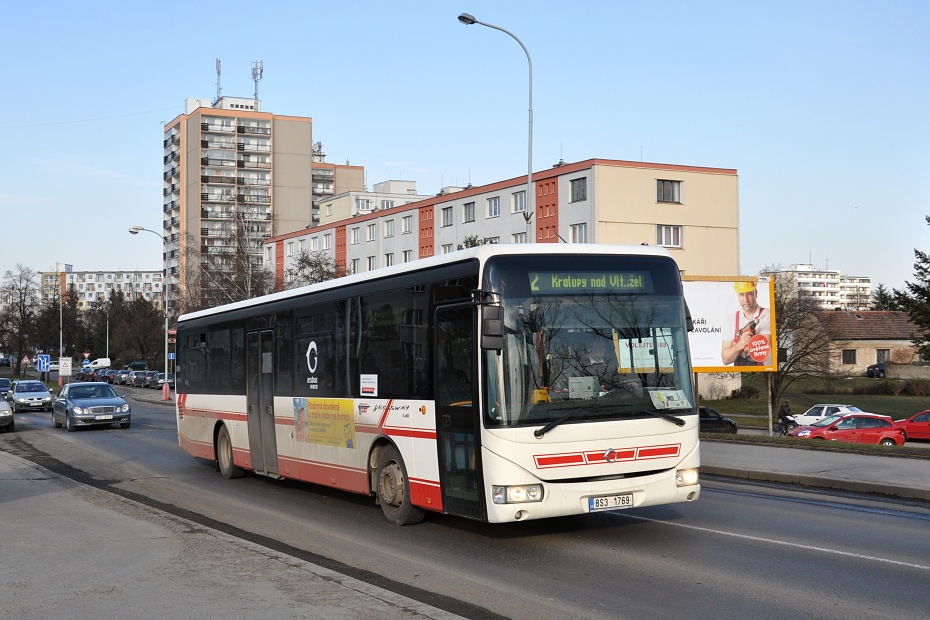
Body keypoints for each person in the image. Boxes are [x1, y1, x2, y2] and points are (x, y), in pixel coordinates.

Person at [721, 281, 772, 366]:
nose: (746, 299)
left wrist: (734, 347)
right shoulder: (730, 319)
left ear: (756, 293)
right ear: (737, 295)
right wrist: (740, 344)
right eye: (741, 294)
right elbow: (725, 359)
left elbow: (761, 353)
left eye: (749, 294)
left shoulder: (767, 315)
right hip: (739, 373)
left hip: (762, 373)